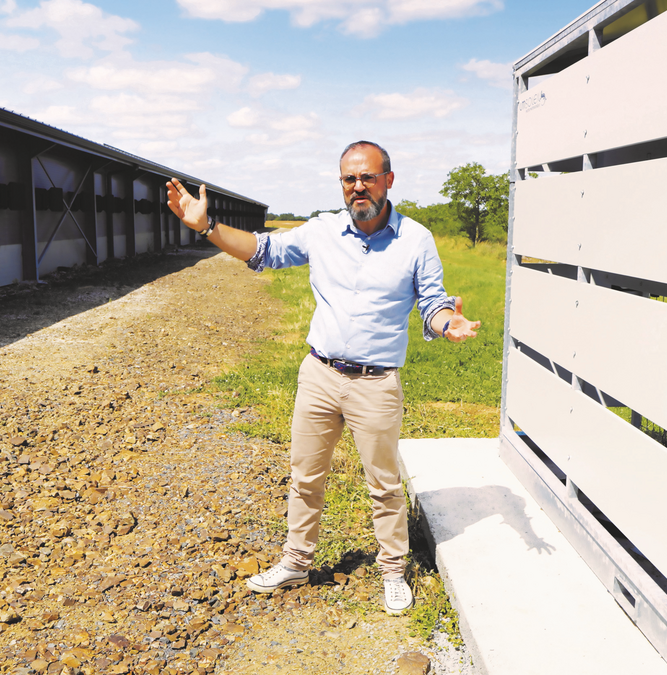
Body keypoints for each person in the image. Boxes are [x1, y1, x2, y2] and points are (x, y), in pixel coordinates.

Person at [165, 141, 480, 615]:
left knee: (384, 484)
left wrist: (446, 323)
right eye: (349, 179)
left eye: (368, 178)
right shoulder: (321, 231)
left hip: (376, 384)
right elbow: (262, 251)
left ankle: (393, 569)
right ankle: (295, 561)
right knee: (305, 477)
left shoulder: (416, 240)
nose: (358, 187)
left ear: (388, 181)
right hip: (319, 374)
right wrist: (207, 225)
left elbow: (433, 302)